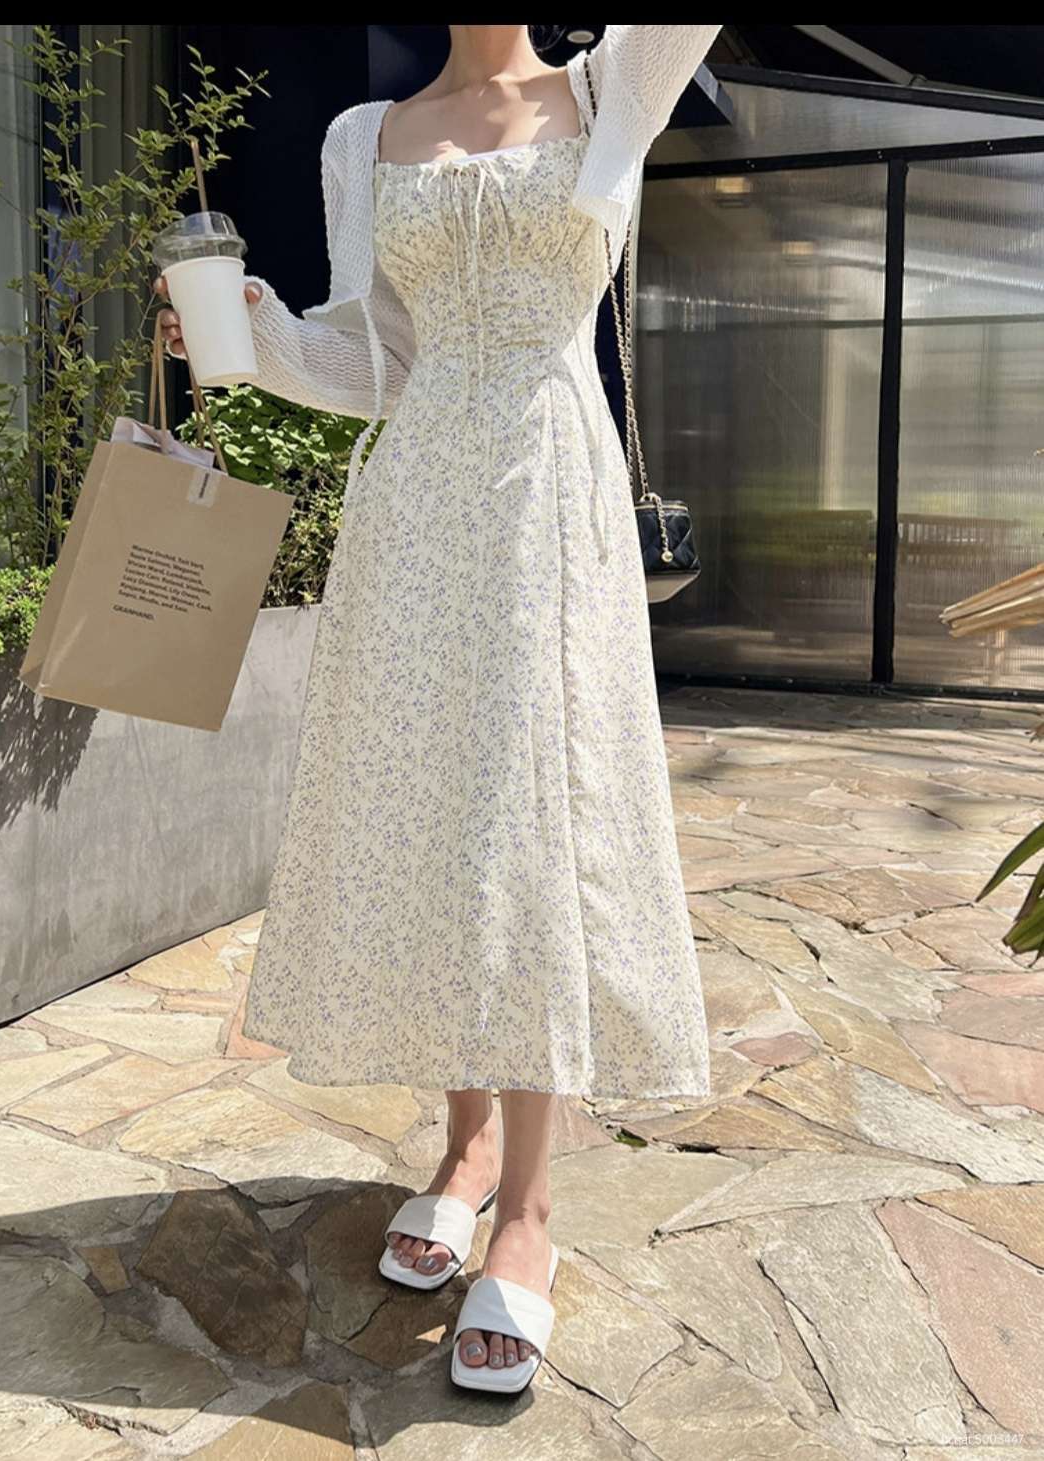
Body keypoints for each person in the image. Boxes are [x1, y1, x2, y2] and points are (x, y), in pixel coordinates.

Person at [156, 21, 721, 1397]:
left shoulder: (611, 88)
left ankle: (527, 1206)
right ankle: (464, 1150)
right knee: (432, 823)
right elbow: (380, 361)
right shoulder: (363, 138)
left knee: (525, 832)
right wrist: (248, 335)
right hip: (413, 508)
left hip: (547, 498)